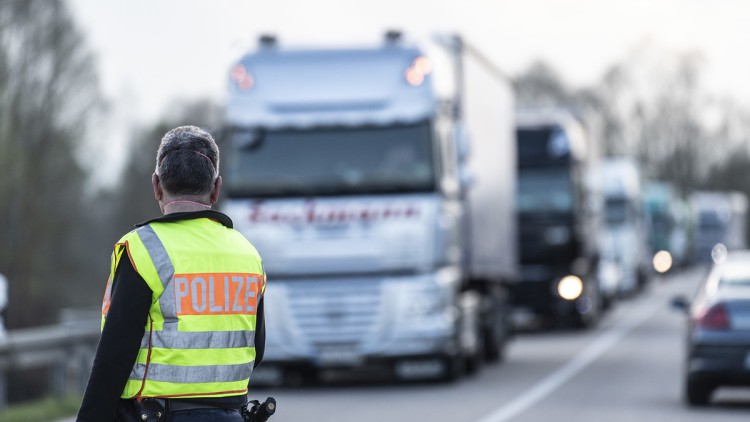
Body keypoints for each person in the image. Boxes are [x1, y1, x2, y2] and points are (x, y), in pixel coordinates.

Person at [77, 125, 266, 421]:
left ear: (156, 185)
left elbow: (115, 355)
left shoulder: (143, 249)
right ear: (216, 188)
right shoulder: (247, 254)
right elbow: (257, 348)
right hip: (232, 414)